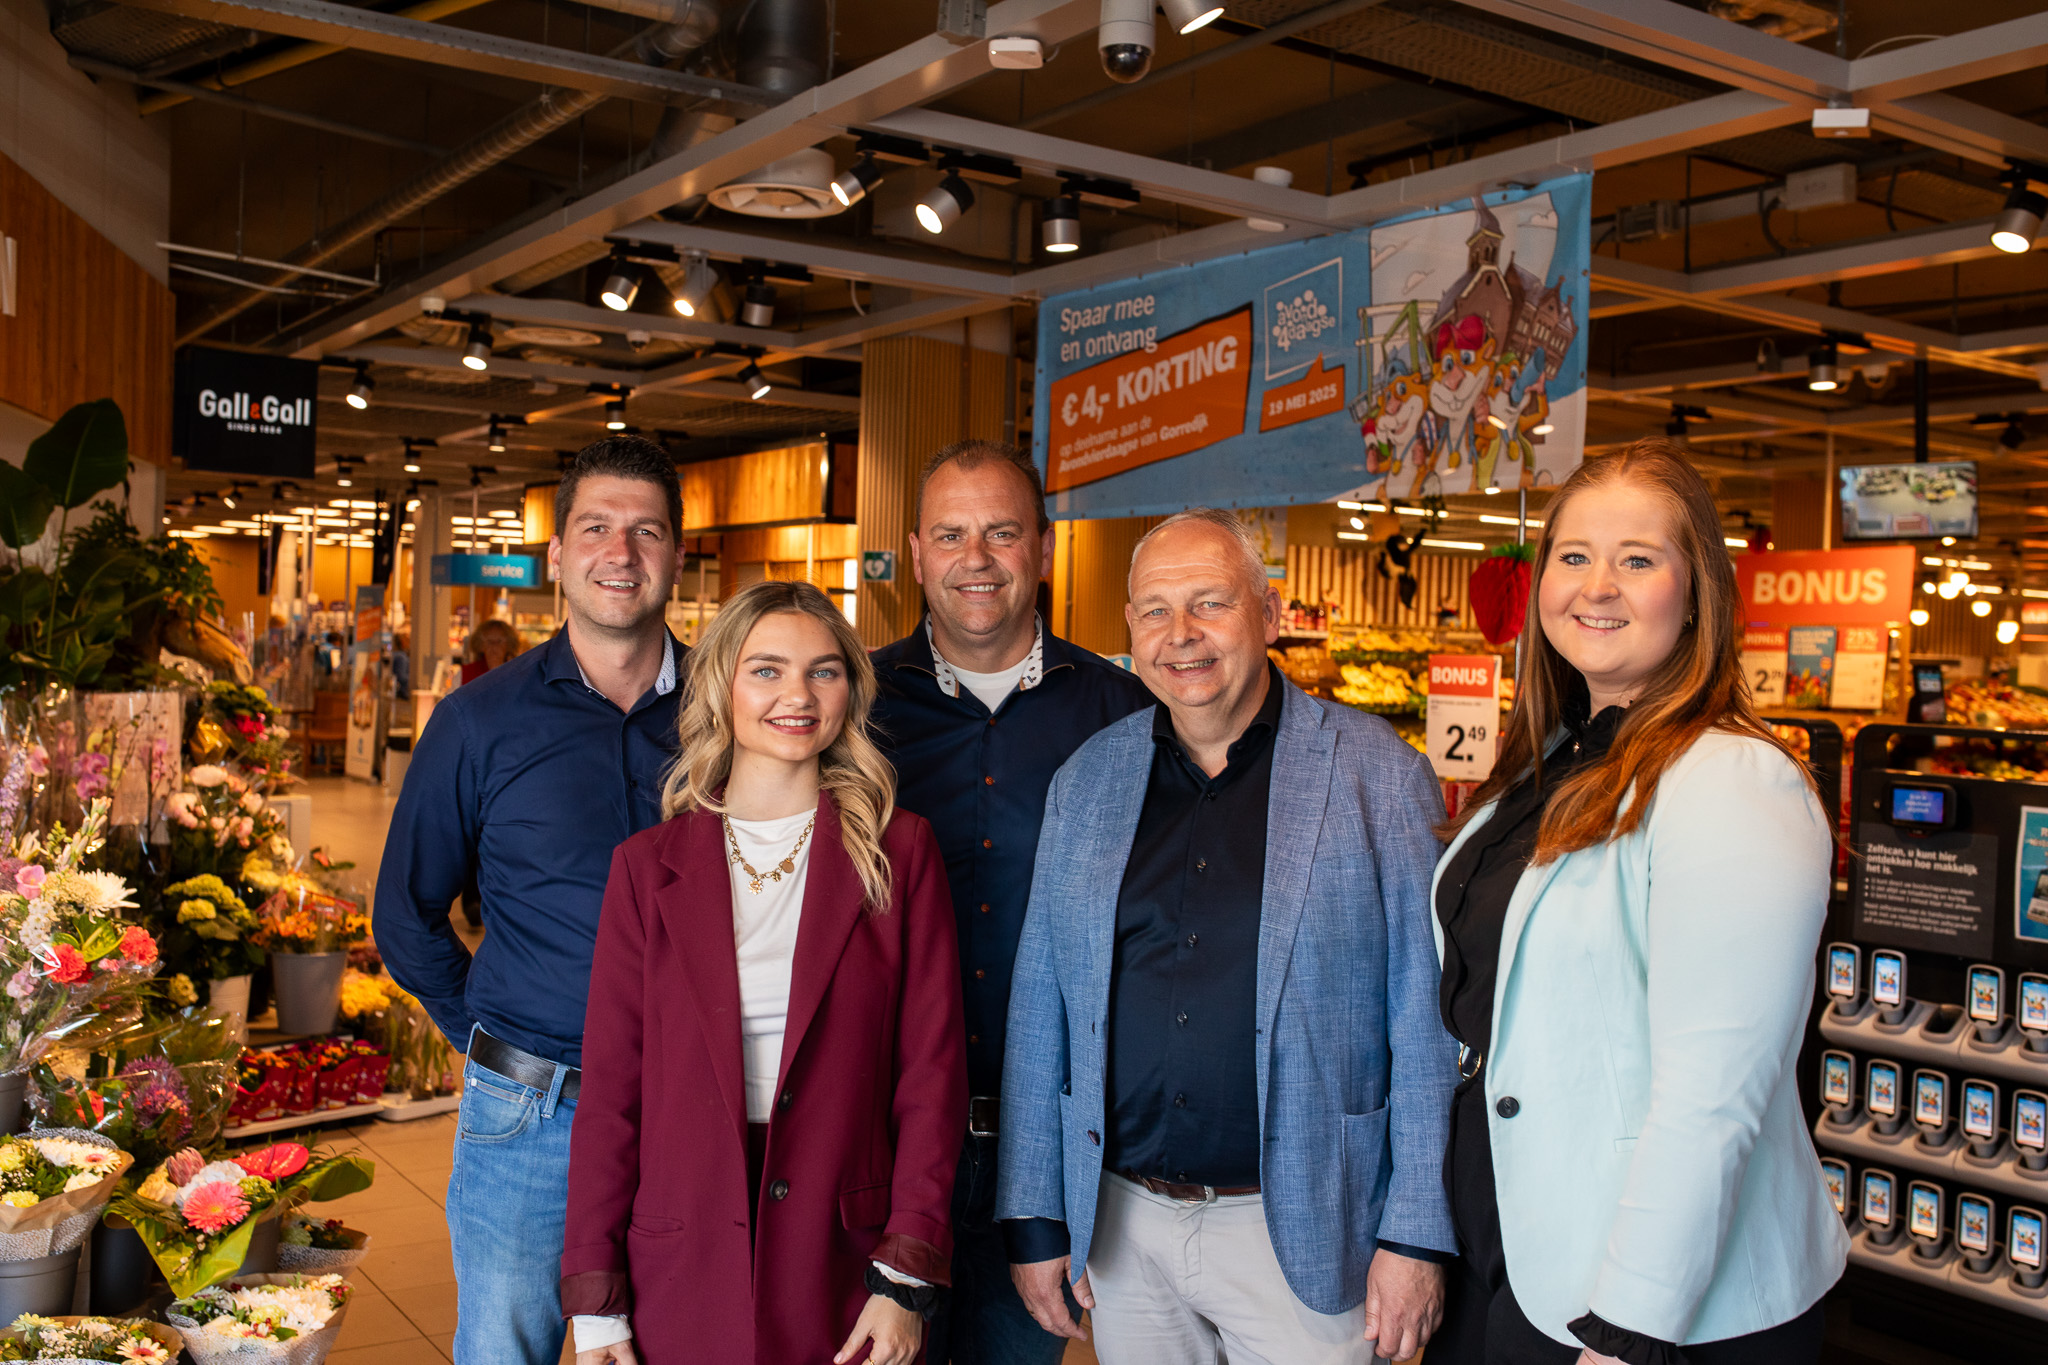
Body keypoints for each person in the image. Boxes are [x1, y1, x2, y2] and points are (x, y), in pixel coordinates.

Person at [998, 509, 1458, 1365]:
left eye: (1210, 602)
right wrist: (1033, 1214)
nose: (1182, 635)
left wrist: (1418, 1234)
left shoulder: (1378, 774)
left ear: (1269, 613)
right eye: (1155, 610)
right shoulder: (1089, 780)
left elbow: (1425, 1023)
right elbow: (1041, 1007)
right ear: (1130, 629)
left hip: (1311, 1223)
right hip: (1123, 1222)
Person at [1426, 440, 1846, 1365]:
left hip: (1654, 1298)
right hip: (1512, 1253)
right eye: (1574, 556)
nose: (1597, 585)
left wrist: (1628, 1329)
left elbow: (1714, 1094)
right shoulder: (1548, 763)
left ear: (1697, 591)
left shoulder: (1734, 780)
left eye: (1637, 559)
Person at [561, 580, 967, 1365]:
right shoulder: (646, 869)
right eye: (767, 669)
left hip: (846, 1257)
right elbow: (613, 1095)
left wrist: (904, 1275)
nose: (798, 694)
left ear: (850, 689)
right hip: (679, 1254)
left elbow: (931, 1079)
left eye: (824, 671)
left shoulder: (900, 852)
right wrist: (597, 1298)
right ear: (722, 687)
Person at [374, 436, 690, 1365]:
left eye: (645, 531)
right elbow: (406, 914)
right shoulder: (480, 721)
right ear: (557, 557)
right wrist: (492, 1036)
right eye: (595, 528)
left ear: (675, 554)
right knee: (508, 1347)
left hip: (692, 1110)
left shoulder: (730, 709)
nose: (620, 552)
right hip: (531, 1118)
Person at [868, 439, 1153, 1365]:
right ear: (915, 552)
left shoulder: (1125, 713)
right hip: (886, 1133)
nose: (975, 558)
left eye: (1001, 532)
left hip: (1049, 1145)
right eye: (950, 534)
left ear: (1044, 545)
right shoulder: (854, 704)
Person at [460, 617, 521, 684]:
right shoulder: (465, 674)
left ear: (509, 645)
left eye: (499, 641)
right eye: (489, 641)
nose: (494, 646)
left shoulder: (517, 674)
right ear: (480, 645)